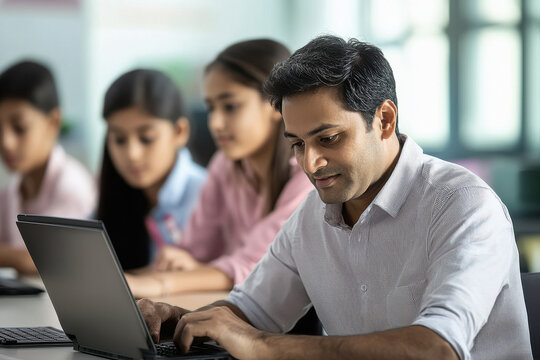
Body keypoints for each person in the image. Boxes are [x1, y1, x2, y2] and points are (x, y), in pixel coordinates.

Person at [137, 35, 532, 360]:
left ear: (385, 120)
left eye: (329, 138)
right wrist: (176, 321)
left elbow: (437, 349)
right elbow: (249, 313)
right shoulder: (313, 216)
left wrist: (260, 347)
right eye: (296, 144)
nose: (311, 163)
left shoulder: (464, 205)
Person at [125, 39, 313, 298]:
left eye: (230, 107)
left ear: (275, 103)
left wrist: (156, 284)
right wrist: (178, 263)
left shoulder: (306, 172)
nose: (215, 123)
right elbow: (192, 250)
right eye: (211, 108)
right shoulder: (224, 165)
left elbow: (257, 265)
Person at [95, 69, 206, 271]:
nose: (132, 154)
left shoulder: (208, 193)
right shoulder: (115, 193)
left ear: (180, 132)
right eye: (119, 139)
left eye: (146, 138)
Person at [0, 60, 96, 274]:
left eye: (19, 128)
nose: (6, 142)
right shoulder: (12, 191)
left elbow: (50, 261)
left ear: (53, 122)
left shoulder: (71, 187)